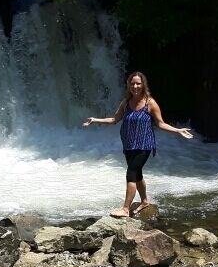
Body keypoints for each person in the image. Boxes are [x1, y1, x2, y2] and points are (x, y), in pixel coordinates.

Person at [83, 72, 193, 217]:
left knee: (131, 173)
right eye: (132, 83)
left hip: (144, 145)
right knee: (138, 174)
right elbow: (114, 119)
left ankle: (125, 209)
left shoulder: (150, 103)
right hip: (128, 144)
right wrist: (95, 120)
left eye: (138, 83)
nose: (135, 86)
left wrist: (178, 130)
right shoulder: (126, 103)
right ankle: (145, 201)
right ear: (129, 85)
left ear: (143, 85)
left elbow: (160, 124)